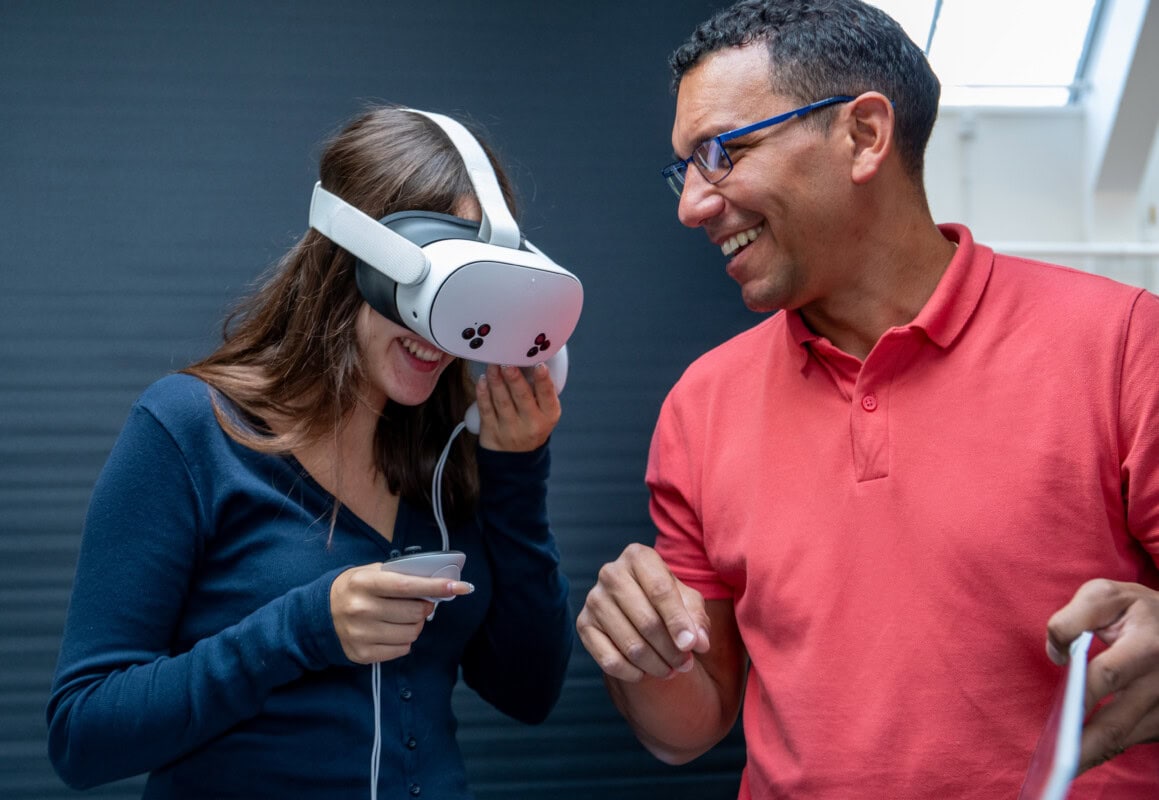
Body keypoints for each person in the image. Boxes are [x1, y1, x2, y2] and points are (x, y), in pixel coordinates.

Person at [575, 1, 1159, 797]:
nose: (691, 206)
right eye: (686, 167)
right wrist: (637, 652)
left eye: (723, 152)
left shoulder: (1125, 343)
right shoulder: (700, 403)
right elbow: (687, 727)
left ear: (863, 136)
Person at [47, 105, 574, 799]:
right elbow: (82, 737)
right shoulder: (190, 430)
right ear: (355, 261)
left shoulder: (441, 458)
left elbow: (527, 691)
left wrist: (515, 471)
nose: (443, 336)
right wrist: (303, 628)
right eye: (432, 288)